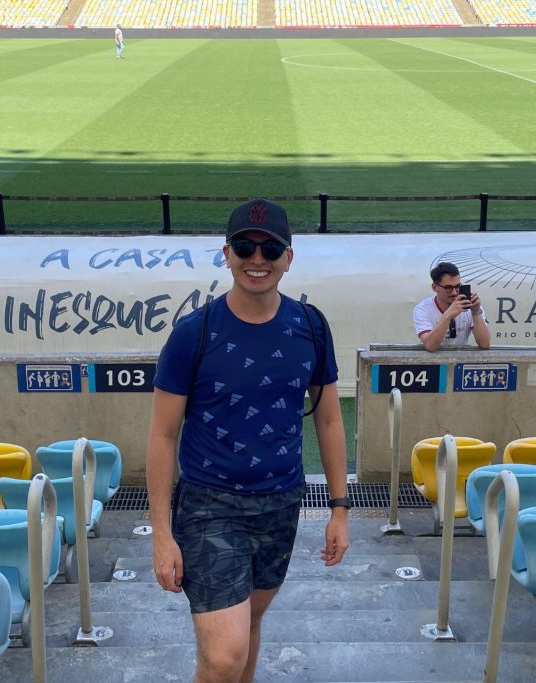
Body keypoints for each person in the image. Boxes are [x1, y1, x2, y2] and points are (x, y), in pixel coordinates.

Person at [147, 199, 350, 683]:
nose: (257, 259)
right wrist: (160, 533)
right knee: (222, 656)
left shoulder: (311, 327)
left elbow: (328, 419)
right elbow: (162, 434)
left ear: (288, 258)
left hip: (281, 502)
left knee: (251, 624)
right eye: (245, 246)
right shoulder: (193, 334)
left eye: (270, 249)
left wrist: (340, 508)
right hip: (208, 505)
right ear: (227, 253)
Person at [413, 261, 491, 351]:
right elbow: (430, 346)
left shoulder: (469, 306)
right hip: (432, 361)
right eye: (448, 288)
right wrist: (447, 316)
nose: (454, 292)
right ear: (434, 287)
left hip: (458, 358)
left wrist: (476, 312)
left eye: (457, 286)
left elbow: (485, 344)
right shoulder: (423, 309)